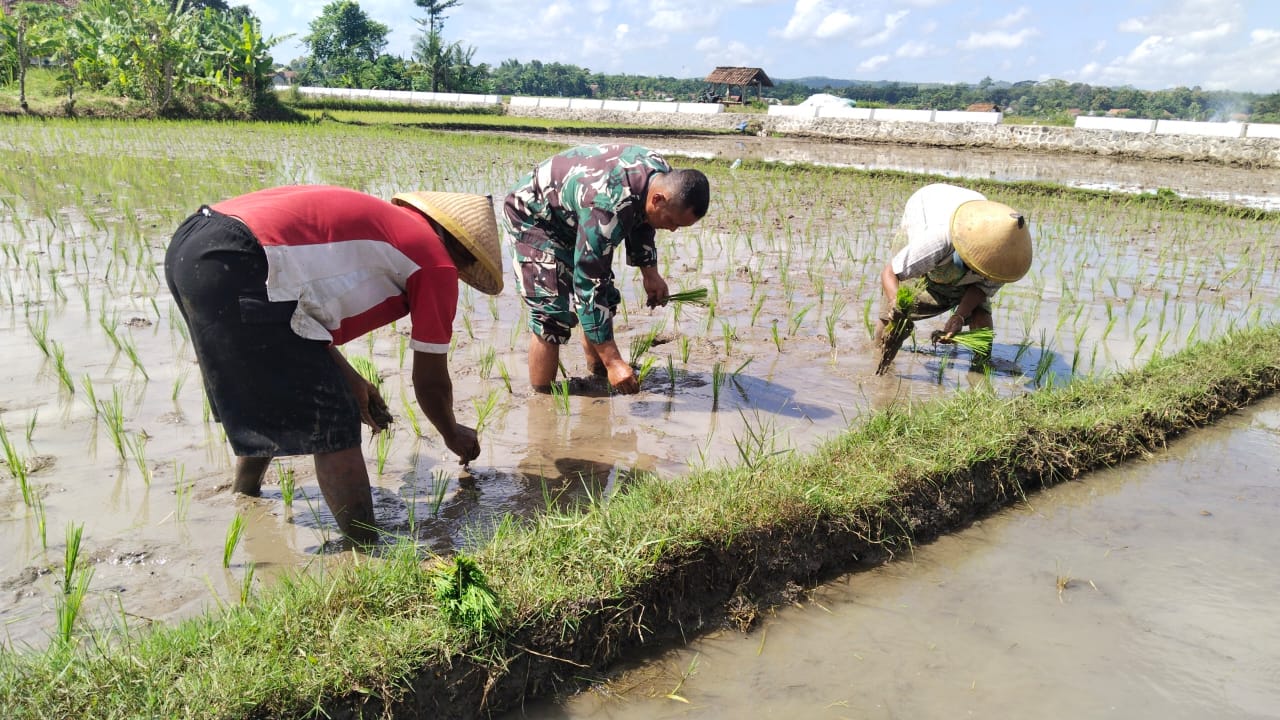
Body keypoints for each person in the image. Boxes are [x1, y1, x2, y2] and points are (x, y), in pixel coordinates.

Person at [164, 186, 504, 544]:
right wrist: (451, 432)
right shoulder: (436, 262)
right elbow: (431, 381)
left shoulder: (391, 228)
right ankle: (366, 546)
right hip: (242, 258)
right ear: (464, 254)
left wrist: (352, 380)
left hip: (194, 245)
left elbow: (299, 323)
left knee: (263, 389)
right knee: (334, 414)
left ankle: (245, 497)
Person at [502, 144, 710, 394]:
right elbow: (588, 287)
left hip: (575, 214)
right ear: (658, 199)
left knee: (606, 300)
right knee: (552, 315)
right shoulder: (606, 204)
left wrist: (650, 274)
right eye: (672, 222)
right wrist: (614, 360)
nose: (673, 229)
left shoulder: (661, 176)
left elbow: (642, 218)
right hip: (535, 218)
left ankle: (600, 374)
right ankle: (543, 398)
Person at [874, 182, 1032, 368]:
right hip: (927, 207)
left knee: (981, 312)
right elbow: (890, 272)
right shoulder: (938, 238)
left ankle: (981, 365)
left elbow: (981, 289)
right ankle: (878, 353)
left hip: (970, 215)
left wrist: (959, 316)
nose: (980, 274)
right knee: (892, 316)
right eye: (977, 268)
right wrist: (897, 304)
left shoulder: (1005, 261)